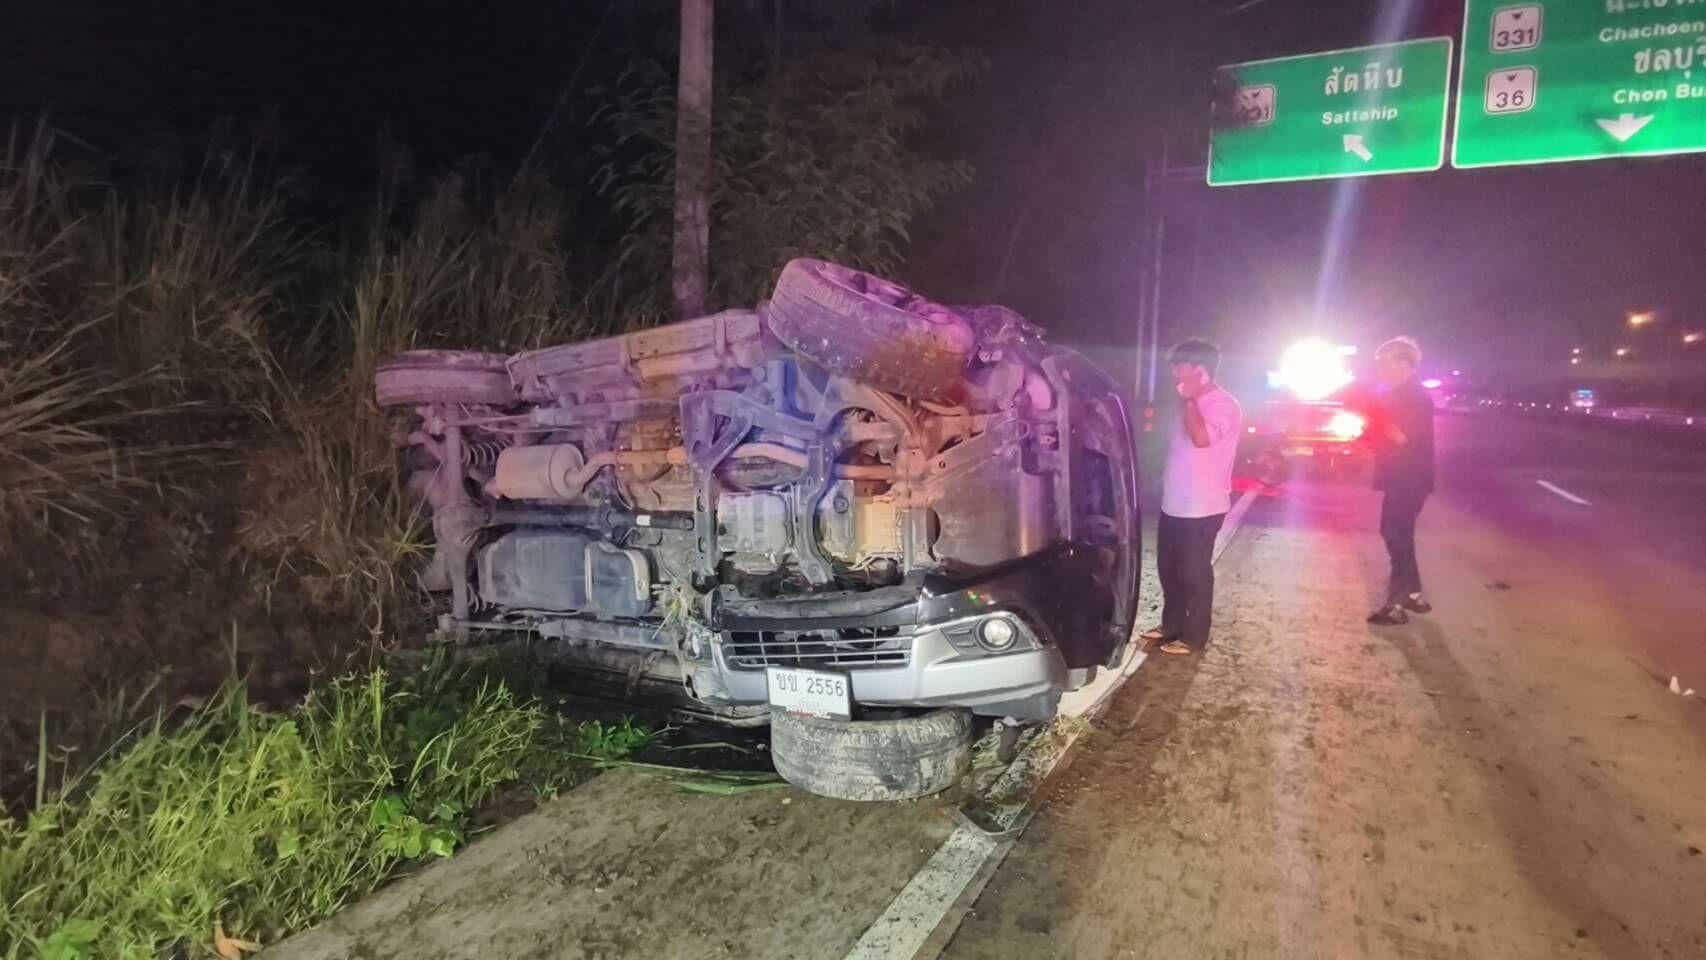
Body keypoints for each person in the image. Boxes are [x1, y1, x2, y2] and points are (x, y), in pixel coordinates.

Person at [1141, 339, 1243, 655]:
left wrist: (1189, 401)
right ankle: (1171, 626)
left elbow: (1201, 439)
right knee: (1169, 569)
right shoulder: (1181, 404)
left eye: (1180, 369)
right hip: (1174, 503)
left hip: (1203, 506)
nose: (1175, 376)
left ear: (1200, 371)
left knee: (1194, 572)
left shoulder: (1224, 404)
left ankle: (1194, 636)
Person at [1366, 336, 1436, 626]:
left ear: (1404, 363)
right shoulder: (1402, 394)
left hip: (1408, 478)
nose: (1380, 369)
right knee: (1399, 534)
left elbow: (1401, 437)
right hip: (1404, 477)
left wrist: (1372, 417)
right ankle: (1413, 594)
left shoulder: (1412, 396)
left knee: (1395, 534)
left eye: (1384, 363)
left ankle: (1396, 605)